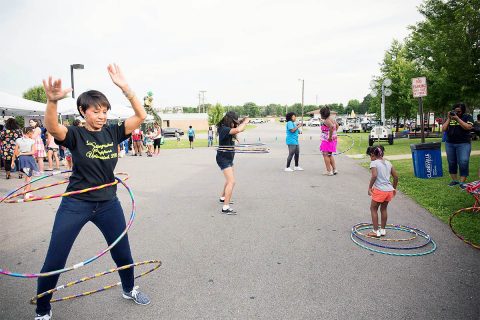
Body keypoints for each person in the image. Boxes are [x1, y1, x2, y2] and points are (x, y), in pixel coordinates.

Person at [35, 64, 150, 320]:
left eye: (105, 111)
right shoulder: (75, 134)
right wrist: (51, 102)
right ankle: (42, 309)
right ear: (82, 111)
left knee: (122, 251)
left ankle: (129, 288)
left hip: (108, 202)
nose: (102, 116)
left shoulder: (114, 131)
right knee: (54, 259)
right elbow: (53, 128)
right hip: (76, 203)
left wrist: (126, 88)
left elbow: (140, 116)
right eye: (96, 111)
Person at [216, 111, 249, 214]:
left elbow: (238, 127)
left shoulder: (226, 128)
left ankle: (223, 197)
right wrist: (246, 122)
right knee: (232, 181)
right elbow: (239, 129)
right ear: (229, 120)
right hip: (223, 158)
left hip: (228, 157)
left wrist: (242, 121)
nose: (235, 124)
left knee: (228, 180)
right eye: (233, 122)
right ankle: (225, 207)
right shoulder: (224, 129)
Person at [366, 145, 398, 238]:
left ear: (372, 154)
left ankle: (375, 231)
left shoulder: (374, 163)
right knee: (383, 209)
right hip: (389, 191)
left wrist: (369, 187)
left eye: (370, 156)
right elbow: (396, 177)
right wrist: (394, 188)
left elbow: (374, 175)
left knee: (373, 209)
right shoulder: (388, 163)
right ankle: (383, 230)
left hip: (380, 190)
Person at [442, 102, 474, 187]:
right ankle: (454, 180)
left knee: (463, 161)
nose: (457, 113)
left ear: (462, 111)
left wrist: (457, 119)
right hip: (450, 143)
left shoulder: (467, 117)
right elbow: (444, 129)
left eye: (459, 111)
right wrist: (449, 118)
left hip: (463, 143)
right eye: (455, 111)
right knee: (452, 162)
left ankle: (462, 182)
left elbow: (468, 127)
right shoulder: (450, 117)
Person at [12, 127, 38, 199]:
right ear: (29, 133)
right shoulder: (32, 141)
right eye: (32, 132)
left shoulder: (18, 140)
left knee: (27, 176)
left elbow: (15, 151)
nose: (33, 134)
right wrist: (23, 154)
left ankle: (26, 191)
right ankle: (26, 194)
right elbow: (33, 152)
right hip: (28, 159)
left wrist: (13, 161)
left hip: (21, 159)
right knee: (29, 177)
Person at [319, 107, 339, 176]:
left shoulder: (327, 120)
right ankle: (334, 169)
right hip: (333, 140)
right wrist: (334, 134)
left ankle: (329, 171)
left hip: (327, 140)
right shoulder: (332, 119)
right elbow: (337, 125)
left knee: (325, 155)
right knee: (330, 155)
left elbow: (331, 127)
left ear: (323, 114)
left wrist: (330, 136)